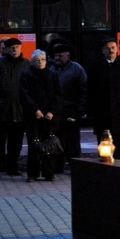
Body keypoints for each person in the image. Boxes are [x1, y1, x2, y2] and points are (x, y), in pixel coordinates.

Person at [0, 37, 30, 178]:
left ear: (20, 48)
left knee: (16, 141)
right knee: (0, 140)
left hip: (20, 109)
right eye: (12, 47)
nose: (15, 49)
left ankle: (12, 167)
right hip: (2, 109)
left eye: (17, 47)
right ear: (7, 49)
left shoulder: (26, 64)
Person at [86, 38, 120, 159]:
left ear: (117, 49)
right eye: (108, 48)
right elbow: (90, 90)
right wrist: (91, 111)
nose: (111, 50)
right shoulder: (95, 67)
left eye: (113, 47)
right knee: (104, 147)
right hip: (102, 115)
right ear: (103, 51)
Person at [19, 50, 62, 182]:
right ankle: (33, 174)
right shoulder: (26, 75)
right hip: (33, 116)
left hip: (49, 116)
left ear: (46, 61)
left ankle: (49, 173)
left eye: (42, 59)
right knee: (34, 145)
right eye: (37, 60)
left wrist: (52, 111)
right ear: (32, 61)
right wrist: (35, 110)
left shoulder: (52, 74)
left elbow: (58, 95)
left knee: (49, 145)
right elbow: (24, 95)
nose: (40, 62)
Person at [51, 43, 87, 172]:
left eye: (60, 56)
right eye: (55, 56)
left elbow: (84, 90)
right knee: (57, 139)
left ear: (67, 55)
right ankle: (57, 167)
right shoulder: (51, 69)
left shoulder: (77, 69)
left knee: (73, 141)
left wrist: (80, 109)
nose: (57, 58)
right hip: (56, 112)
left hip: (72, 111)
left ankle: (75, 167)